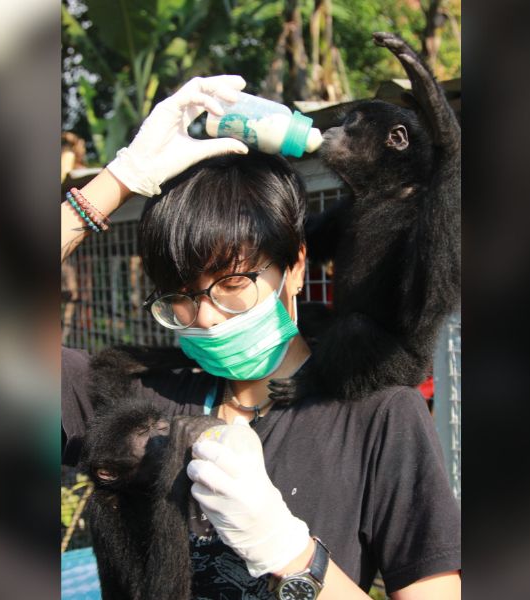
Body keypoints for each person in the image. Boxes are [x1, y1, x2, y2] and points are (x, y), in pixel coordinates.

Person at [61, 76, 461, 599]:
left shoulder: (379, 416)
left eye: (232, 284)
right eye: (181, 295)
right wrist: (115, 182)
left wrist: (291, 554)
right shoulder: (141, 396)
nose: (205, 318)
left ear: (295, 267)